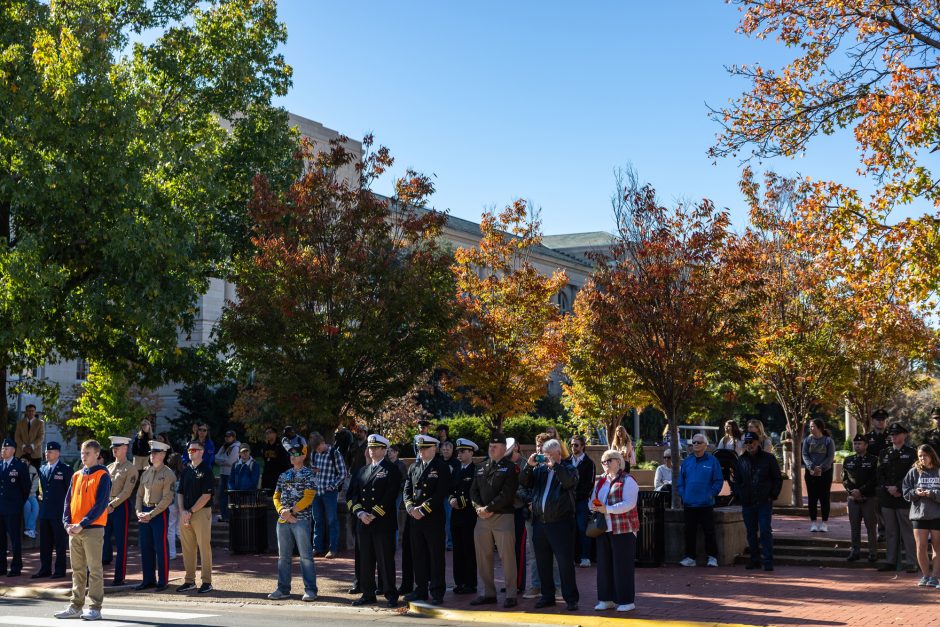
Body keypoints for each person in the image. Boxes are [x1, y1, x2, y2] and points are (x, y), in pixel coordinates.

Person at [54, 440, 112, 621]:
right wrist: (66, 522)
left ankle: (95, 607)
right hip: (75, 529)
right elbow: (67, 501)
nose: (83, 456)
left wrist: (83, 523)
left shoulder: (103, 475)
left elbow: (101, 504)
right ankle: (76, 605)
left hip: (92, 529)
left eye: (87, 453)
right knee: (77, 569)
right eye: (82, 453)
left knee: (94, 569)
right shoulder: (76, 475)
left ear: (97, 454)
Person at [521, 439, 580, 611]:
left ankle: (570, 598)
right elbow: (524, 483)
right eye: (543, 455)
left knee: (564, 563)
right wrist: (529, 466)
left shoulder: (569, 468)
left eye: (548, 455)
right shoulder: (539, 471)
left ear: (558, 454)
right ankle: (548, 596)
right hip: (540, 523)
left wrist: (556, 466)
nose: (545, 458)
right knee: (542, 562)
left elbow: (569, 483)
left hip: (561, 523)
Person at [347, 434, 402, 608]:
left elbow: (390, 495)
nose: (371, 451)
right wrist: (360, 513)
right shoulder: (362, 471)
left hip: (382, 523)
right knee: (365, 560)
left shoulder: (391, 470)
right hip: (363, 522)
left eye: (375, 448)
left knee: (385, 560)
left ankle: (390, 594)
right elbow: (351, 496)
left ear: (384, 450)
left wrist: (373, 514)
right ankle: (368, 593)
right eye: (370, 448)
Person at [469, 432, 519, 609]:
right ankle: (488, 593)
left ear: (504, 449)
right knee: (483, 557)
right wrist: (478, 508)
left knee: (507, 557)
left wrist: (488, 508)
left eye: (495, 446)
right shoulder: (481, 467)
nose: (491, 449)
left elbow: (507, 494)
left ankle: (511, 594)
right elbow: (473, 491)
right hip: (482, 518)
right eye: (490, 446)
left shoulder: (510, 468)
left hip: (503, 516)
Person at [268, 439, 318, 602]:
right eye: (290, 453)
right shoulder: (284, 475)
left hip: (301, 520)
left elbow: (308, 497)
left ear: (303, 456)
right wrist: (282, 511)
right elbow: (276, 496)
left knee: (305, 557)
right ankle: (283, 589)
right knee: (283, 557)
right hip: (283, 520)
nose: (292, 456)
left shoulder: (309, 474)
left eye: (295, 453)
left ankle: (310, 590)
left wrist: (291, 511)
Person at [403, 434, 450, 605]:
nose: (421, 451)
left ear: (434, 449)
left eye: (425, 448)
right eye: (419, 448)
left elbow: (440, 493)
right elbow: (407, 490)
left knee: (436, 556)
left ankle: (437, 591)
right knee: (418, 555)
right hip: (415, 519)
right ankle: (421, 589)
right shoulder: (414, 467)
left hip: (433, 518)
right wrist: (409, 507)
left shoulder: (441, 467)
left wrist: (423, 509)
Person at [591, 449, 639, 613]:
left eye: (609, 460)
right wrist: (594, 506)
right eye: (603, 461)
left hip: (624, 529)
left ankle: (626, 600)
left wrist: (607, 509)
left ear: (619, 461)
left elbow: (629, 503)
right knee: (604, 566)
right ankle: (606, 599)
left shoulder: (628, 480)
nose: (605, 464)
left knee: (622, 566)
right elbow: (592, 500)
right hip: (603, 529)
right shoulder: (601, 481)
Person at [734, 431, 782, 571]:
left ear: (758, 442)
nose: (749, 445)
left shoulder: (769, 458)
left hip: (764, 501)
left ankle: (768, 561)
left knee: (765, 530)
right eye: (747, 443)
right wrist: (739, 494)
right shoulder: (741, 460)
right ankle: (754, 560)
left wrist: (772, 495)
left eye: (752, 442)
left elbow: (777, 478)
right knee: (751, 532)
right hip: (747, 502)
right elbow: (737, 480)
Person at [134, 440, 176, 591]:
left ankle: (162, 581)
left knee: (160, 547)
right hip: (144, 512)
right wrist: (139, 511)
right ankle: (148, 580)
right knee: (145, 547)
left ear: (163, 454)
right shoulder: (146, 472)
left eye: (156, 453)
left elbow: (167, 499)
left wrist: (151, 514)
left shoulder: (168, 474)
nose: (152, 455)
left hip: (159, 514)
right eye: (151, 453)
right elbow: (139, 495)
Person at [677, 433, 724, 567]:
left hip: (706, 503)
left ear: (705, 445)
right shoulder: (687, 462)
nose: (695, 445)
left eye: (698, 442)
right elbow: (681, 481)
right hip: (689, 503)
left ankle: (713, 557)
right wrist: (684, 495)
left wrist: (711, 494)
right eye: (694, 443)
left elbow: (718, 480)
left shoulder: (712, 461)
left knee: (709, 531)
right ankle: (690, 557)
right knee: (689, 532)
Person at [877, 422, 917, 573]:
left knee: (907, 531)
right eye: (891, 434)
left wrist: (898, 488)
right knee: (891, 531)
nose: (893, 437)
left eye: (896, 434)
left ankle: (912, 562)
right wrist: (888, 488)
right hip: (888, 497)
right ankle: (890, 561)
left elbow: (912, 474)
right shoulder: (884, 453)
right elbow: (879, 474)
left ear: (904, 435)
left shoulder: (912, 453)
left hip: (903, 497)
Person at [177, 440, 214, 593]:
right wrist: (182, 511)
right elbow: (180, 492)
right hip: (186, 513)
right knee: (187, 549)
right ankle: (189, 580)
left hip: (200, 512)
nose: (191, 452)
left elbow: (206, 496)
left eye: (194, 450)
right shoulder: (186, 470)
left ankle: (207, 581)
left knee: (204, 547)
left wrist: (190, 511)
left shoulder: (206, 470)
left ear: (202, 452)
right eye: (189, 450)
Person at [101, 436, 137, 586]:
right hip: (106, 507)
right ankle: (95, 576)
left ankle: (119, 577)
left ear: (125, 448)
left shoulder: (131, 468)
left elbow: (127, 492)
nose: (114, 449)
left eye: (118, 447)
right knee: (101, 541)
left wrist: (113, 505)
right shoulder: (108, 467)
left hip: (121, 507)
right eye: (113, 447)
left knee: (121, 544)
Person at [902, 444, 940, 587]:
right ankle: (925, 575)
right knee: (920, 546)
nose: (922, 458)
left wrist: (933, 494)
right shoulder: (913, 472)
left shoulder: (938, 471)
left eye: (925, 455)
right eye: (920, 456)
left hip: (937, 514)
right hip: (919, 515)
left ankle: (935, 577)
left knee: (937, 546)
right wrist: (915, 493)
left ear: (931, 455)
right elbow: (906, 493)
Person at [33, 442, 72, 579]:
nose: (46, 453)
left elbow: (70, 491)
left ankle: (60, 570)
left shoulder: (65, 469)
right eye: (46, 451)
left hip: (59, 512)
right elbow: (41, 488)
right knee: (45, 543)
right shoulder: (42, 469)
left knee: (60, 542)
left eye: (50, 451)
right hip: (45, 511)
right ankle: (45, 569)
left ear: (58, 453)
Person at [309, 431, 347, 559]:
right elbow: (312, 471)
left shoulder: (334, 453)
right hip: (316, 492)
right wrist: (313, 472)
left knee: (332, 520)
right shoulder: (314, 453)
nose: (318, 451)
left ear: (323, 443)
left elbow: (342, 473)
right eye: (316, 449)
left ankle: (333, 548)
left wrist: (332, 486)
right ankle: (317, 547)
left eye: (319, 448)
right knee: (317, 520)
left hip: (329, 492)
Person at [842, 433, 879, 563]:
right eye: (855, 444)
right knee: (854, 526)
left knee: (870, 526)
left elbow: (875, 479)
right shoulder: (848, 460)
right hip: (853, 499)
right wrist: (852, 492)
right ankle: (855, 551)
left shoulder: (874, 460)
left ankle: (873, 552)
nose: (857, 446)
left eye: (860, 444)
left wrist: (861, 491)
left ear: (866, 445)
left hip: (868, 498)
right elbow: (845, 479)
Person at [449, 438, 479, 595]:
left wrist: (460, 501)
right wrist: (451, 500)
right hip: (456, 515)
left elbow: (474, 492)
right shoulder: (456, 469)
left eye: (463, 451)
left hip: (468, 515)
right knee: (458, 549)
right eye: (458, 451)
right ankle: (459, 581)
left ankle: (470, 583)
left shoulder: (475, 470)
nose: (459, 454)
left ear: (471, 452)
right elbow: (450, 489)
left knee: (469, 549)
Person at [0, 438, 31, 577]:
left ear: (13, 450)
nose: (3, 451)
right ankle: (1, 567)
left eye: (6, 449)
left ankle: (16, 567)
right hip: (0, 508)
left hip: (13, 508)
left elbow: (26, 488)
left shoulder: (20, 466)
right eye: (2, 448)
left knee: (15, 539)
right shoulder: (0, 465)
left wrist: (18, 503)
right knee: (1, 539)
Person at [802, 418, 836, 533]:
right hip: (810, 473)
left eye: (813, 426)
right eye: (810, 427)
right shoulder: (807, 440)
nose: (810, 428)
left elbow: (830, 457)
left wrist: (821, 468)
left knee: (824, 498)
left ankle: (824, 523)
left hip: (825, 473)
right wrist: (812, 467)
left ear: (819, 427)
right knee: (812, 498)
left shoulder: (828, 441)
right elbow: (805, 455)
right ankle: (813, 523)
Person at [569, 434, 596, 568]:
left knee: (582, 528)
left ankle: (585, 556)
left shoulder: (589, 463)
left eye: (576, 445)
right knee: (570, 529)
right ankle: (573, 556)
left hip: (581, 501)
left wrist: (576, 496)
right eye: (572, 444)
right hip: (567, 502)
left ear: (583, 446)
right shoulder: (566, 461)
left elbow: (589, 485)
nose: (573, 447)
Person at [215, 430, 240, 523]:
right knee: (222, 496)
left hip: (231, 474)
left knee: (231, 496)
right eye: (226, 436)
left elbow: (231, 462)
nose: (227, 438)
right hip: (222, 474)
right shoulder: (224, 446)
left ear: (234, 437)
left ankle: (231, 516)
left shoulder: (236, 447)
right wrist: (224, 460)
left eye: (229, 436)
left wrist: (222, 461)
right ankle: (224, 515)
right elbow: (215, 458)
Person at [439, 440, 459, 551]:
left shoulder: (456, 463)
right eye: (444, 449)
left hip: (449, 496)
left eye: (448, 449)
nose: (446, 451)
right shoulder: (438, 461)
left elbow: (456, 480)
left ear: (452, 450)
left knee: (448, 520)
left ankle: (450, 543)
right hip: (437, 496)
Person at [14, 404, 44, 469]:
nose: (31, 412)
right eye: (29, 411)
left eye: (33, 411)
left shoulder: (40, 423)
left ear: (35, 412)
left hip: (35, 454)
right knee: (19, 475)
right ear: (26, 412)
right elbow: (17, 437)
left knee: (35, 475)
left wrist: (32, 447)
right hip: (21, 453)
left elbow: (41, 437)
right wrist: (24, 447)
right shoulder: (20, 423)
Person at [261, 427, 290, 491]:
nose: (268, 435)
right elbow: (265, 461)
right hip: (267, 477)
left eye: (270, 432)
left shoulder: (281, 447)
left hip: (278, 476)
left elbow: (285, 463)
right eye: (266, 433)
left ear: (275, 434)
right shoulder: (265, 447)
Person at [23, 461, 39, 539]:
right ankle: (29, 529)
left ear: (29, 462)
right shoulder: (18, 469)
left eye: (25, 461)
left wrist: (29, 492)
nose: (23, 462)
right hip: (21, 496)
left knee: (36, 507)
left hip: (31, 494)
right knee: (27, 506)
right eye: (21, 460)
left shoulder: (33, 470)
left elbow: (36, 484)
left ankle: (30, 529)